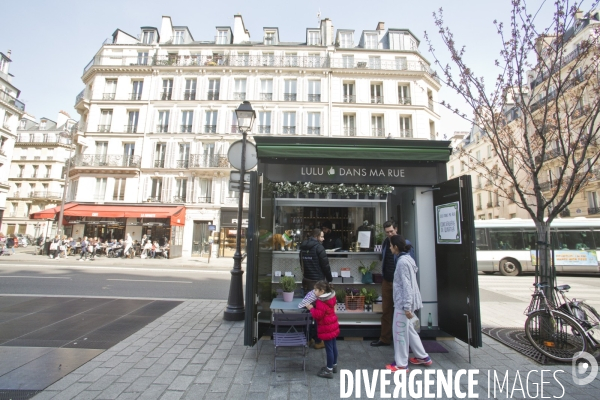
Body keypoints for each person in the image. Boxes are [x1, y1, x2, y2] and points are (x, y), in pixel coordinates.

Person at [386, 235, 431, 371]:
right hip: (408, 302)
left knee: (399, 332)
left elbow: (407, 286)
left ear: (396, 247)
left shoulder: (401, 263)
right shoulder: (408, 259)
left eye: (391, 245)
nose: (389, 248)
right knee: (410, 331)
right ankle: (423, 357)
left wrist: (406, 306)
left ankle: (401, 364)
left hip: (402, 303)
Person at [371, 221, 415, 347]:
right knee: (386, 311)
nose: (390, 234)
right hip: (387, 281)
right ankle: (385, 338)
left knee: (402, 311)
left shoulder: (405, 243)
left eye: (391, 231)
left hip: (400, 283)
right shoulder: (386, 242)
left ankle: (405, 341)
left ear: (396, 229)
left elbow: (411, 265)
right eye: (387, 232)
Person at [298, 228, 332, 350]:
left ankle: (307, 339)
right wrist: (329, 279)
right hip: (318, 285)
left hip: (306, 283)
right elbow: (325, 266)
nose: (323, 239)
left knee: (307, 312)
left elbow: (301, 264)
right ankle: (318, 341)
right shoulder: (319, 248)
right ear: (317, 236)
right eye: (322, 237)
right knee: (318, 314)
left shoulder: (302, 248)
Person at [306, 280, 339, 379]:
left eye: (316, 290)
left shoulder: (321, 301)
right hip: (333, 325)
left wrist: (311, 308)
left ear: (322, 291)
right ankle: (334, 365)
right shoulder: (331, 297)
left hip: (326, 327)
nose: (314, 291)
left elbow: (318, 315)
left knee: (329, 348)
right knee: (333, 346)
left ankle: (328, 370)